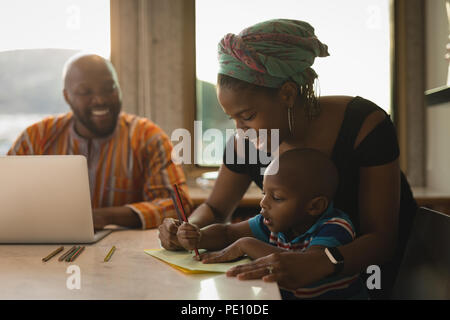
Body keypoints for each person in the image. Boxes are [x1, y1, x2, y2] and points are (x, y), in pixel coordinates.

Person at [159, 19, 417, 299]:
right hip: (297, 285)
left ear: (287, 94)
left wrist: (321, 262)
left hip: (374, 280)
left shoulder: (364, 126)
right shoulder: (248, 140)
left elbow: (381, 240)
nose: (239, 131)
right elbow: (215, 208)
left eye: (247, 116)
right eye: (232, 118)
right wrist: (188, 231)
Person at [8, 53, 192, 230]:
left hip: (119, 253)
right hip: (44, 248)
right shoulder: (36, 138)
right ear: (67, 97)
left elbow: (177, 205)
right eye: (85, 92)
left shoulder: (148, 137)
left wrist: (103, 217)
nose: (100, 99)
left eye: (109, 88)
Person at [178, 148, 368, 299]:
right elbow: (227, 233)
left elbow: (303, 265)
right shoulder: (272, 223)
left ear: (315, 206)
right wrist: (199, 236)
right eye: (264, 193)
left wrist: (247, 244)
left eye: (276, 197)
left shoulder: (335, 227)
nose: (263, 203)